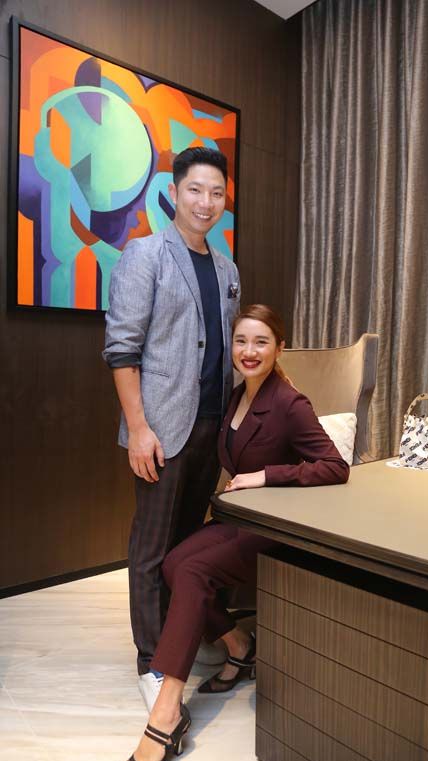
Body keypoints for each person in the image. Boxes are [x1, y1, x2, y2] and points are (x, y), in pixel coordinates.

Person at [109, 304, 350, 761]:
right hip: (241, 521)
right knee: (172, 564)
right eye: (241, 341)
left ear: (279, 348)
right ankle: (240, 645)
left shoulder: (290, 402)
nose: (249, 351)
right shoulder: (238, 395)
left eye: (261, 341)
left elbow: (335, 467)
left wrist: (266, 475)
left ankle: (165, 716)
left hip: (277, 530)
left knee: (192, 570)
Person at [103, 147, 240, 711]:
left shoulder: (227, 268)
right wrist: (138, 428)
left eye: (216, 193)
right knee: (151, 548)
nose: (206, 202)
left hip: (211, 427)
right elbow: (122, 350)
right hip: (160, 430)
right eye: (195, 190)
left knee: (187, 550)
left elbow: (226, 353)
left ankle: (183, 641)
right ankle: (152, 662)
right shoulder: (146, 255)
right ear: (175, 192)